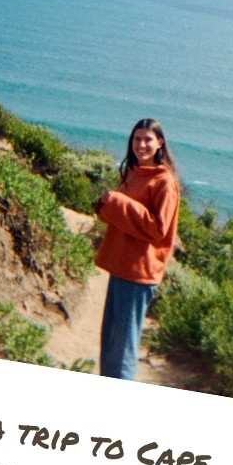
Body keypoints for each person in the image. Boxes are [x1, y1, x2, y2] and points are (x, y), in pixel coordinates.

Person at [91, 119, 182, 380]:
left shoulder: (164, 181)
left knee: (123, 351)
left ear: (160, 143)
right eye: (136, 139)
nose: (141, 145)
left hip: (139, 273)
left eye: (147, 140)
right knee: (110, 343)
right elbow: (127, 220)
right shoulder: (135, 171)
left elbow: (158, 229)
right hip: (122, 266)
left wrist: (118, 202)